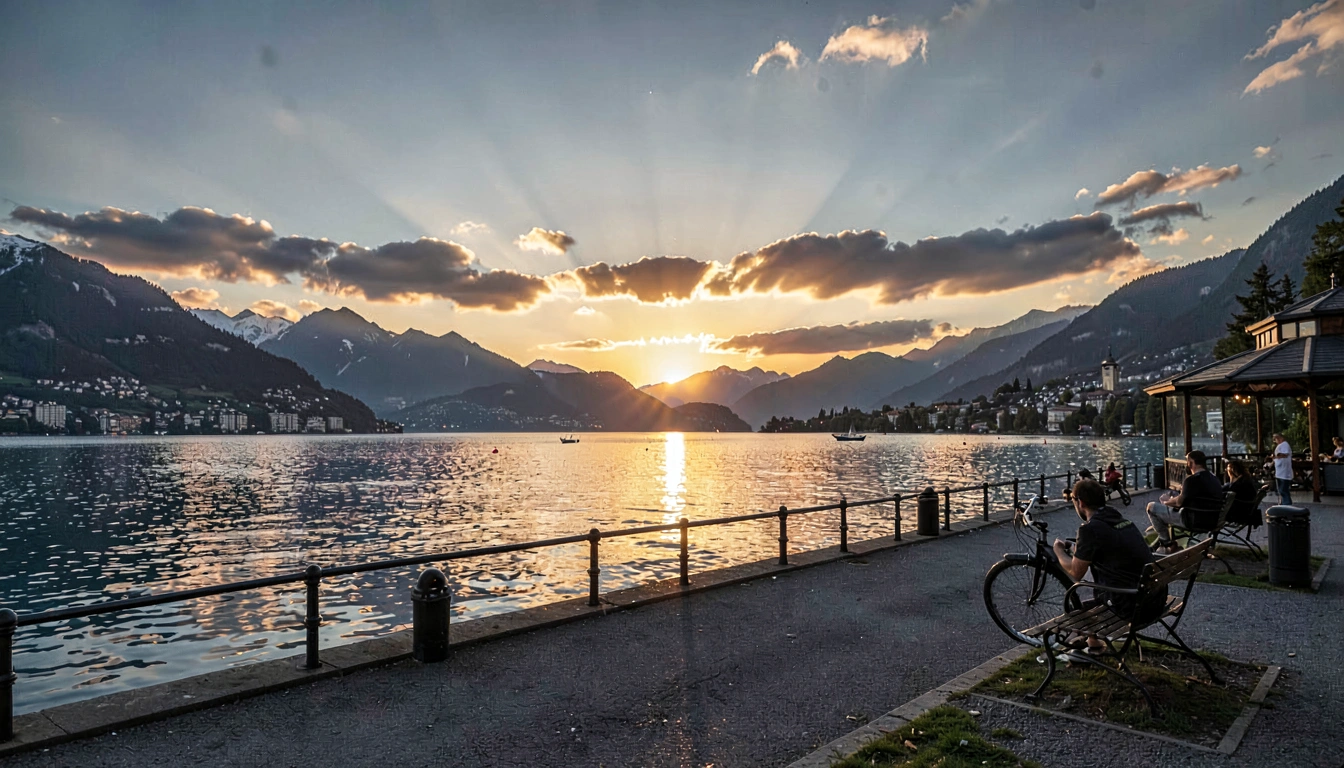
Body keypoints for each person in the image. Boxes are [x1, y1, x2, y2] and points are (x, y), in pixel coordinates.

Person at [1054, 479, 1166, 650]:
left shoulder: (1089, 529)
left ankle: (1093, 646)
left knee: (1075, 609)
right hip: (1156, 600)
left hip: (1131, 608)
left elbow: (1076, 573)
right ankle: (1093, 643)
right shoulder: (1119, 520)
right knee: (1096, 600)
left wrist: (1058, 551)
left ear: (1081, 502)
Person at [1146, 450, 1222, 553]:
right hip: (1211, 521)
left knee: (1151, 507)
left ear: (1191, 462)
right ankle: (1163, 543)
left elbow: (1179, 503)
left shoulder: (1191, 480)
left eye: (1187, 461)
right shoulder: (1215, 479)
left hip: (1191, 520)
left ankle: (1166, 542)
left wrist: (1167, 502)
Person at [1223, 459, 1261, 526]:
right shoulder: (1246, 480)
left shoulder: (1238, 485)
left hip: (1239, 514)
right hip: (1247, 511)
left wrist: (1231, 479)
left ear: (1232, 471)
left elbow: (1229, 492)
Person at [1272, 433, 1293, 505]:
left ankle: (1287, 504)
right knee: (1281, 490)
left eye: (1276, 439)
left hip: (1284, 472)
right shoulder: (1280, 445)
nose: (1275, 441)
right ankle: (1282, 503)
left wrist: (1277, 456)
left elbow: (1285, 454)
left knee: (1283, 490)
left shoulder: (1285, 445)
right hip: (1279, 471)